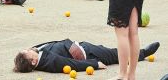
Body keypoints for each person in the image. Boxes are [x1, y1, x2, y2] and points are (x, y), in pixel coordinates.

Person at [13, 38, 160, 73]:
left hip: (83, 46)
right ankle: (143, 53)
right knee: (115, 54)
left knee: (112, 51)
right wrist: (94, 64)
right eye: (27, 52)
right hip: (89, 53)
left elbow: (47, 45)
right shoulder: (50, 61)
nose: (28, 49)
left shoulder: (37, 54)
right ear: (32, 62)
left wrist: (33, 49)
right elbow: (71, 65)